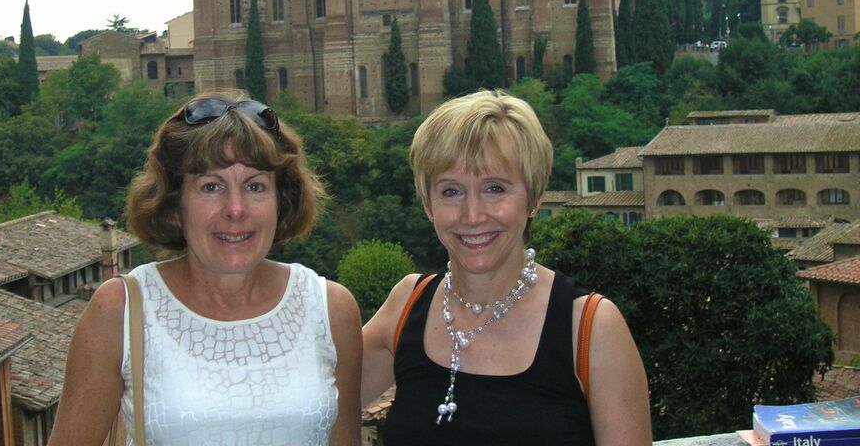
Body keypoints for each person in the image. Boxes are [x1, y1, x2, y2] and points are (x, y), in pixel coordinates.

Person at [49, 92, 362, 446]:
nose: (235, 209)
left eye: (255, 186)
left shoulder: (330, 309)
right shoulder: (121, 310)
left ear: (281, 200)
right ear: (173, 203)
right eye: (211, 186)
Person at [361, 90, 651, 445]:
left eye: (494, 188)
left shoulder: (590, 327)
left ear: (534, 197)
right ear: (427, 203)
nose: (472, 215)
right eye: (451, 191)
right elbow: (313, 398)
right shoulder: (407, 304)